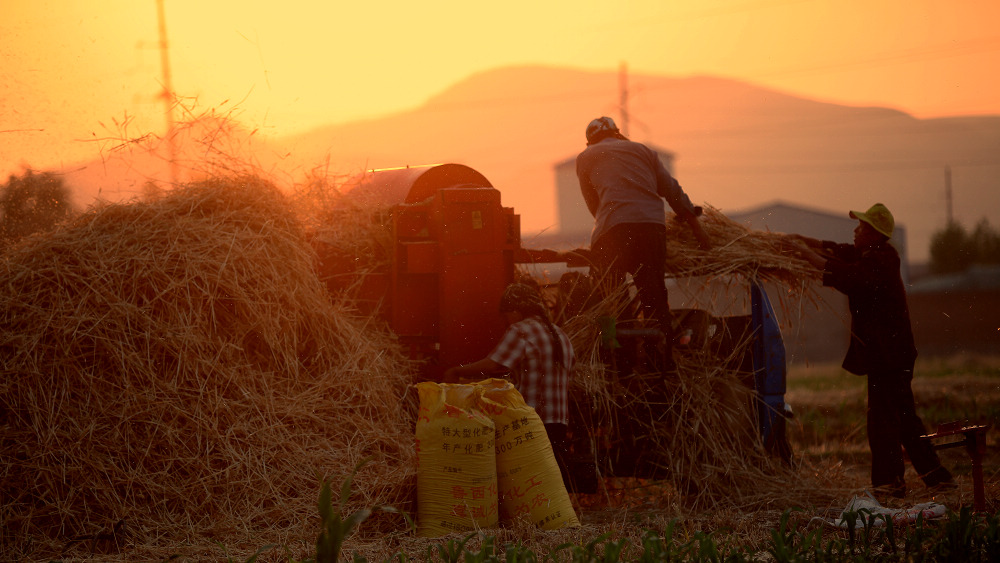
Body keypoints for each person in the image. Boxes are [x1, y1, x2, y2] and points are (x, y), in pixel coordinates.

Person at [783, 203, 953, 498]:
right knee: (903, 418)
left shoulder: (880, 262)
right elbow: (839, 252)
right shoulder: (870, 254)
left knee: (883, 420)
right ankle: (937, 478)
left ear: (874, 234)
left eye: (861, 227)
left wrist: (804, 255)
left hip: (889, 356)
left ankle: (889, 484)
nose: (855, 230)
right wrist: (805, 241)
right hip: (889, 355)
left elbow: (848, 276)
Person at [575, 116, 712, 363]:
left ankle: (620, 356)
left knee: (610, 296)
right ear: (617, 133)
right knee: (654, 295)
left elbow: (593, 205)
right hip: (652, 228)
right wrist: (698, 231)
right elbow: (673, 190)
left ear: (590, 141)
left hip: (612, 230)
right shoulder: (643, 150)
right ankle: (661, 358)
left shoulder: (585, 157)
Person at [444, 282, 575, 478]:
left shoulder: (521, 330)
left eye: (506, 316)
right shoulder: (560, 334)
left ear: (515, 310)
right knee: (545, 482)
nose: (506, 323)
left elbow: (495, 365)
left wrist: (457, 371)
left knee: (524, 480)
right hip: (558, 423)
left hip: (532, 421)